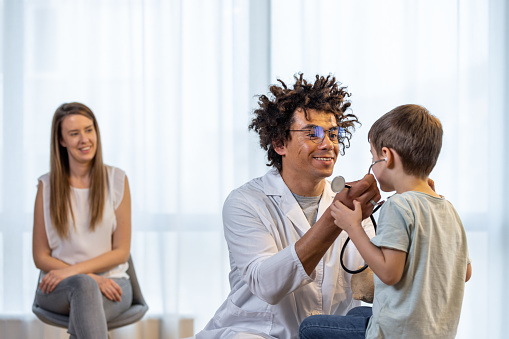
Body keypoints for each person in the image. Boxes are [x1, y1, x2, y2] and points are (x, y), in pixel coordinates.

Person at [197, 74, 381, 339]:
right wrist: (335, 219)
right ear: (279, 143)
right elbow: (267, 283)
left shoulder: (352, 205)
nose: (328, 144)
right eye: (312, 133)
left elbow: (370, 280)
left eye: (332, 133)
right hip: (253, 333)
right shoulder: (245, 202)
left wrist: (414, 206)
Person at [299, 104, 472, 339]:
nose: (372, 163)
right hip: (435, 332)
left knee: (309, 328)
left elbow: (389, 273)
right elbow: (465, 272)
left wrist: (352, 226)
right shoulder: (447, 208)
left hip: (396, 333)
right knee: (355, 316)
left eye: (373, 157)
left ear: (387, 156)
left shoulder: (398, 205)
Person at [32, 102, 133, 339]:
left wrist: (83, 275)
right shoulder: (46, 186)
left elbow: (121, 252)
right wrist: (89, 279)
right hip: (59, 288)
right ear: (61, 141)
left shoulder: (117, 180)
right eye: (74, 133)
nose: (84, 139)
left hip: (114, 285)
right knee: (84, 289)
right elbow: (40, 256)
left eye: (89, 130)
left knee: (85, 310)